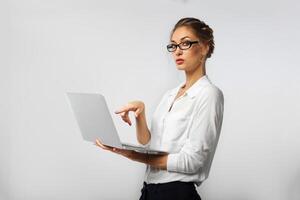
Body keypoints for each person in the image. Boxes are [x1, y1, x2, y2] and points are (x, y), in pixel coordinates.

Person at [95, 17, 224, 200]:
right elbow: (150, 145)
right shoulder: (170, 95)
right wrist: (141, 115)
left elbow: (193, 162)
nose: (177, 51)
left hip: (176, 194)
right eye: (173, 45)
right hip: (149, 191)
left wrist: (131, 155)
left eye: (185, 43)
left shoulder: (209, 94)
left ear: (204, 47)